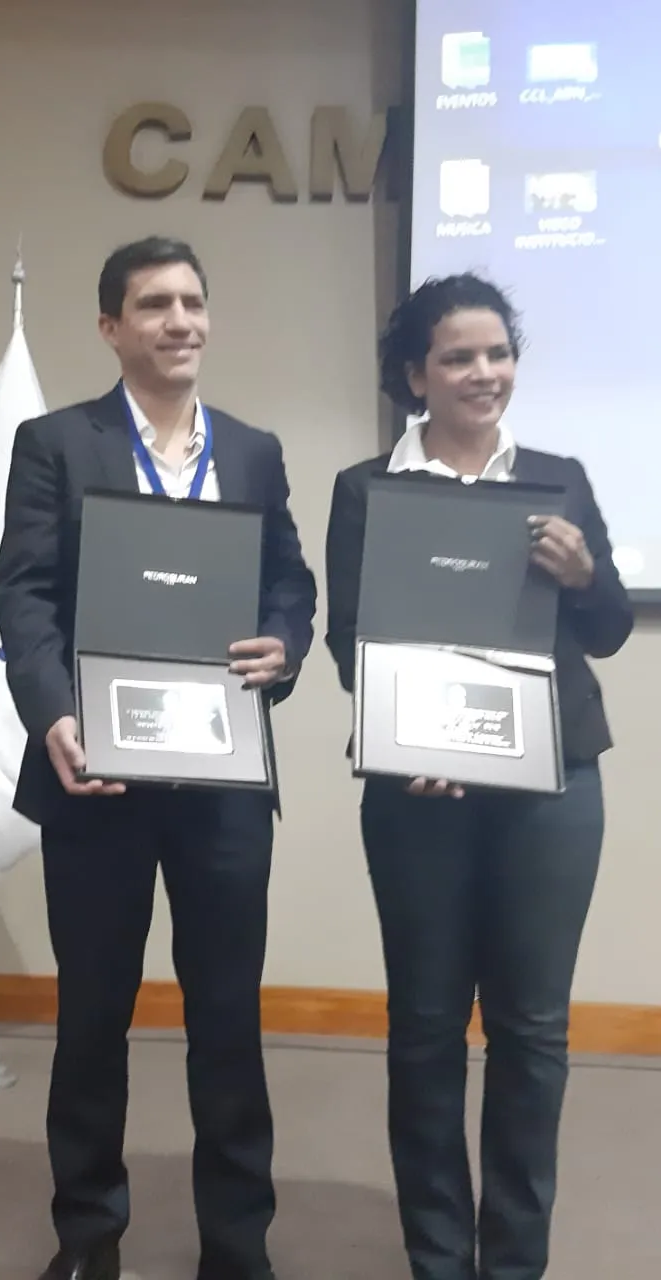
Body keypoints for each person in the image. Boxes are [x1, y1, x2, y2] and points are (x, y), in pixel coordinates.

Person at [0, 236, 317, 1280]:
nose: (179, 320)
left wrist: (285, 643)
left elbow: (289, 582)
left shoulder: (253, 450)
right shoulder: (56, 442)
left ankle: (237, 1242)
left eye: (191, 301)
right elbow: (24, 594)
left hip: (223, 782)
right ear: (110, 327)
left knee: (226, 1018)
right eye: (153, 304)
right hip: (98, 774)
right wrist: (51, 714)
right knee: (92, 1018)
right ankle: (89, 1236)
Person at [325, 273, 633, 1280]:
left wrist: (584, 575)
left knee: (531, 1029)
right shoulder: (365, 488)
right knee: (423, 1027)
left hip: (551, 785)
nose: (483, 372)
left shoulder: (555, 477)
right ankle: (435, 1258)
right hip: (416, 791)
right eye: (457, 356)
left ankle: (511, 1261)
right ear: (415, 375)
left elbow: (607, 630)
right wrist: (407, 737)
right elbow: (349, 640)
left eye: (497, 352)